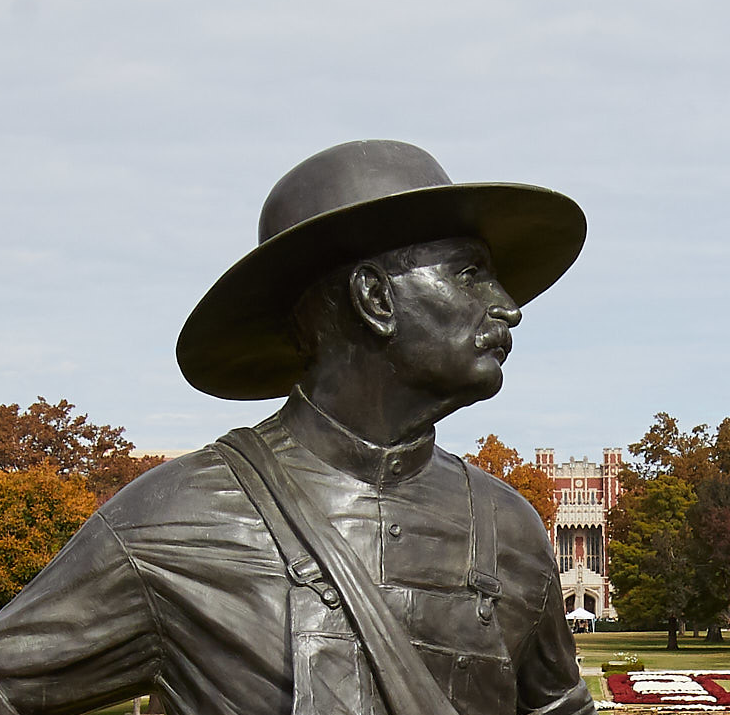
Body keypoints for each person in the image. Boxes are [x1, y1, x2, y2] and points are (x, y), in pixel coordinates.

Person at [0, 140, 595, 715]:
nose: (508, 306)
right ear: (375, 299)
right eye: (470, 274)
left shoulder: (509, 527)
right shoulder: (171, 520)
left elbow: (557, 708)